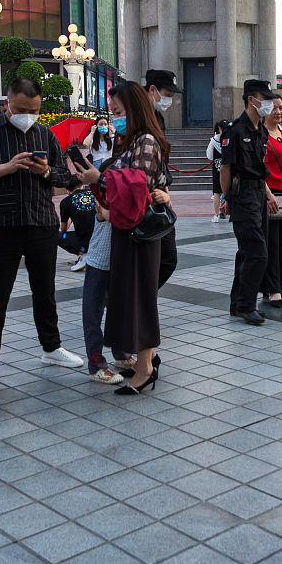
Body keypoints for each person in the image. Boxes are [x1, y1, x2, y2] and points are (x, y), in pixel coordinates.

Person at [0, 77, 84, 388]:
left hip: (41, 222)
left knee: (45, 290)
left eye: (34, 110)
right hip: (0, 226)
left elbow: (66, 178)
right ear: (6, 104)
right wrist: (3, 168)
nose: (27, 115)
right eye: (20, 109)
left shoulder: (45, 133)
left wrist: (44, 171)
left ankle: (51, 347)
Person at [74, 82, 171, 395]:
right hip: (128, 231)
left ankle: (143, 369)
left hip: (139, 234)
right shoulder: (131, 140)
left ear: (134, 108)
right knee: (134, 298)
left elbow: (137, 184)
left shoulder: (145, 140)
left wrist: (99, 177)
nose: (115, 117)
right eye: (113, 112)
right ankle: (147, 360)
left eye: (118, 111)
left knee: (139, 298)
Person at [221, 80, 280, 325]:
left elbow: (260, 168)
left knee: (247, 251)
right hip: (242, 195)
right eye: (262, 98)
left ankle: (238, 303)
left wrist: (267, 195)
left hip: (257, 194)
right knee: (257, 252)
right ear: (250, 99)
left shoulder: (260, 131)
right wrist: (226, 197)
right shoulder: (235, 131)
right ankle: (247, 305)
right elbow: (225, 168)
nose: (267, 103)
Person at [79, 205, 128, 385]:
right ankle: (96, 365)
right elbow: (108, 214)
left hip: (121, 263)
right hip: (99, 262)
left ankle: (122, 355)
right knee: (93, 315)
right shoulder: (104, 191)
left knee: (121, 313)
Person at [145, 69, 180, 288]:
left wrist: (165, 190)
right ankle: (133, 304)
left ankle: (140, 301)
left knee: (167, 259)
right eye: (168, 93)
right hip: (141, 197)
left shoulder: (157, 116)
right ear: (152, 90)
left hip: (159, 196)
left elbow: (161, 160)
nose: (170, 99)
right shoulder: (135, 115)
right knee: (151, 259)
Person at [261, 96, 282, 308]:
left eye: (281, 108)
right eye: (274, 108)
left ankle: (280, 285)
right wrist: (268, 195)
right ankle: (271, 289)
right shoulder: (261, 136)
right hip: (270, 194)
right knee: (271, 243)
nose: (278, 112)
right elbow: (259, 168)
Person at [59, 182, 97, 271]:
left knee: (58, 235)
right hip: (100, 237)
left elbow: (64, 228)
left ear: (67, 191)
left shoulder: (66, 201)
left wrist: (71, 217)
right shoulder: (94, 194)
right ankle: (87, 254)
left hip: (83, 241)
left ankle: (83, 254)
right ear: (83, 186)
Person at [208, 119, 230, 222]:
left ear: (219, 128)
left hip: (217, 169)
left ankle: (216, 215)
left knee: (217, 193)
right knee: (230, 190)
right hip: (229, 169)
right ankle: (231, 213)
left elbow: (209, 155)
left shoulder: (213, 140)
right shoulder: (231, 139)